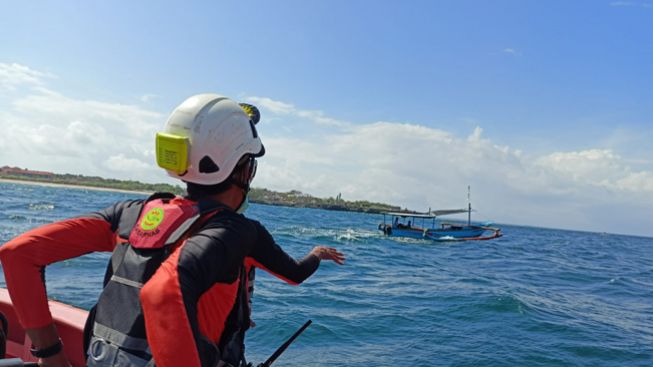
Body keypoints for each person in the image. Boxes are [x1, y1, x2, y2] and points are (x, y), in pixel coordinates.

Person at [0, 94, 345, 367]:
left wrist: (49, 353)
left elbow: (18, 254)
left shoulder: (131, 214)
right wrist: (316, 254)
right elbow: (294, 274)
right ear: (243, 170)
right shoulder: (242, 233)